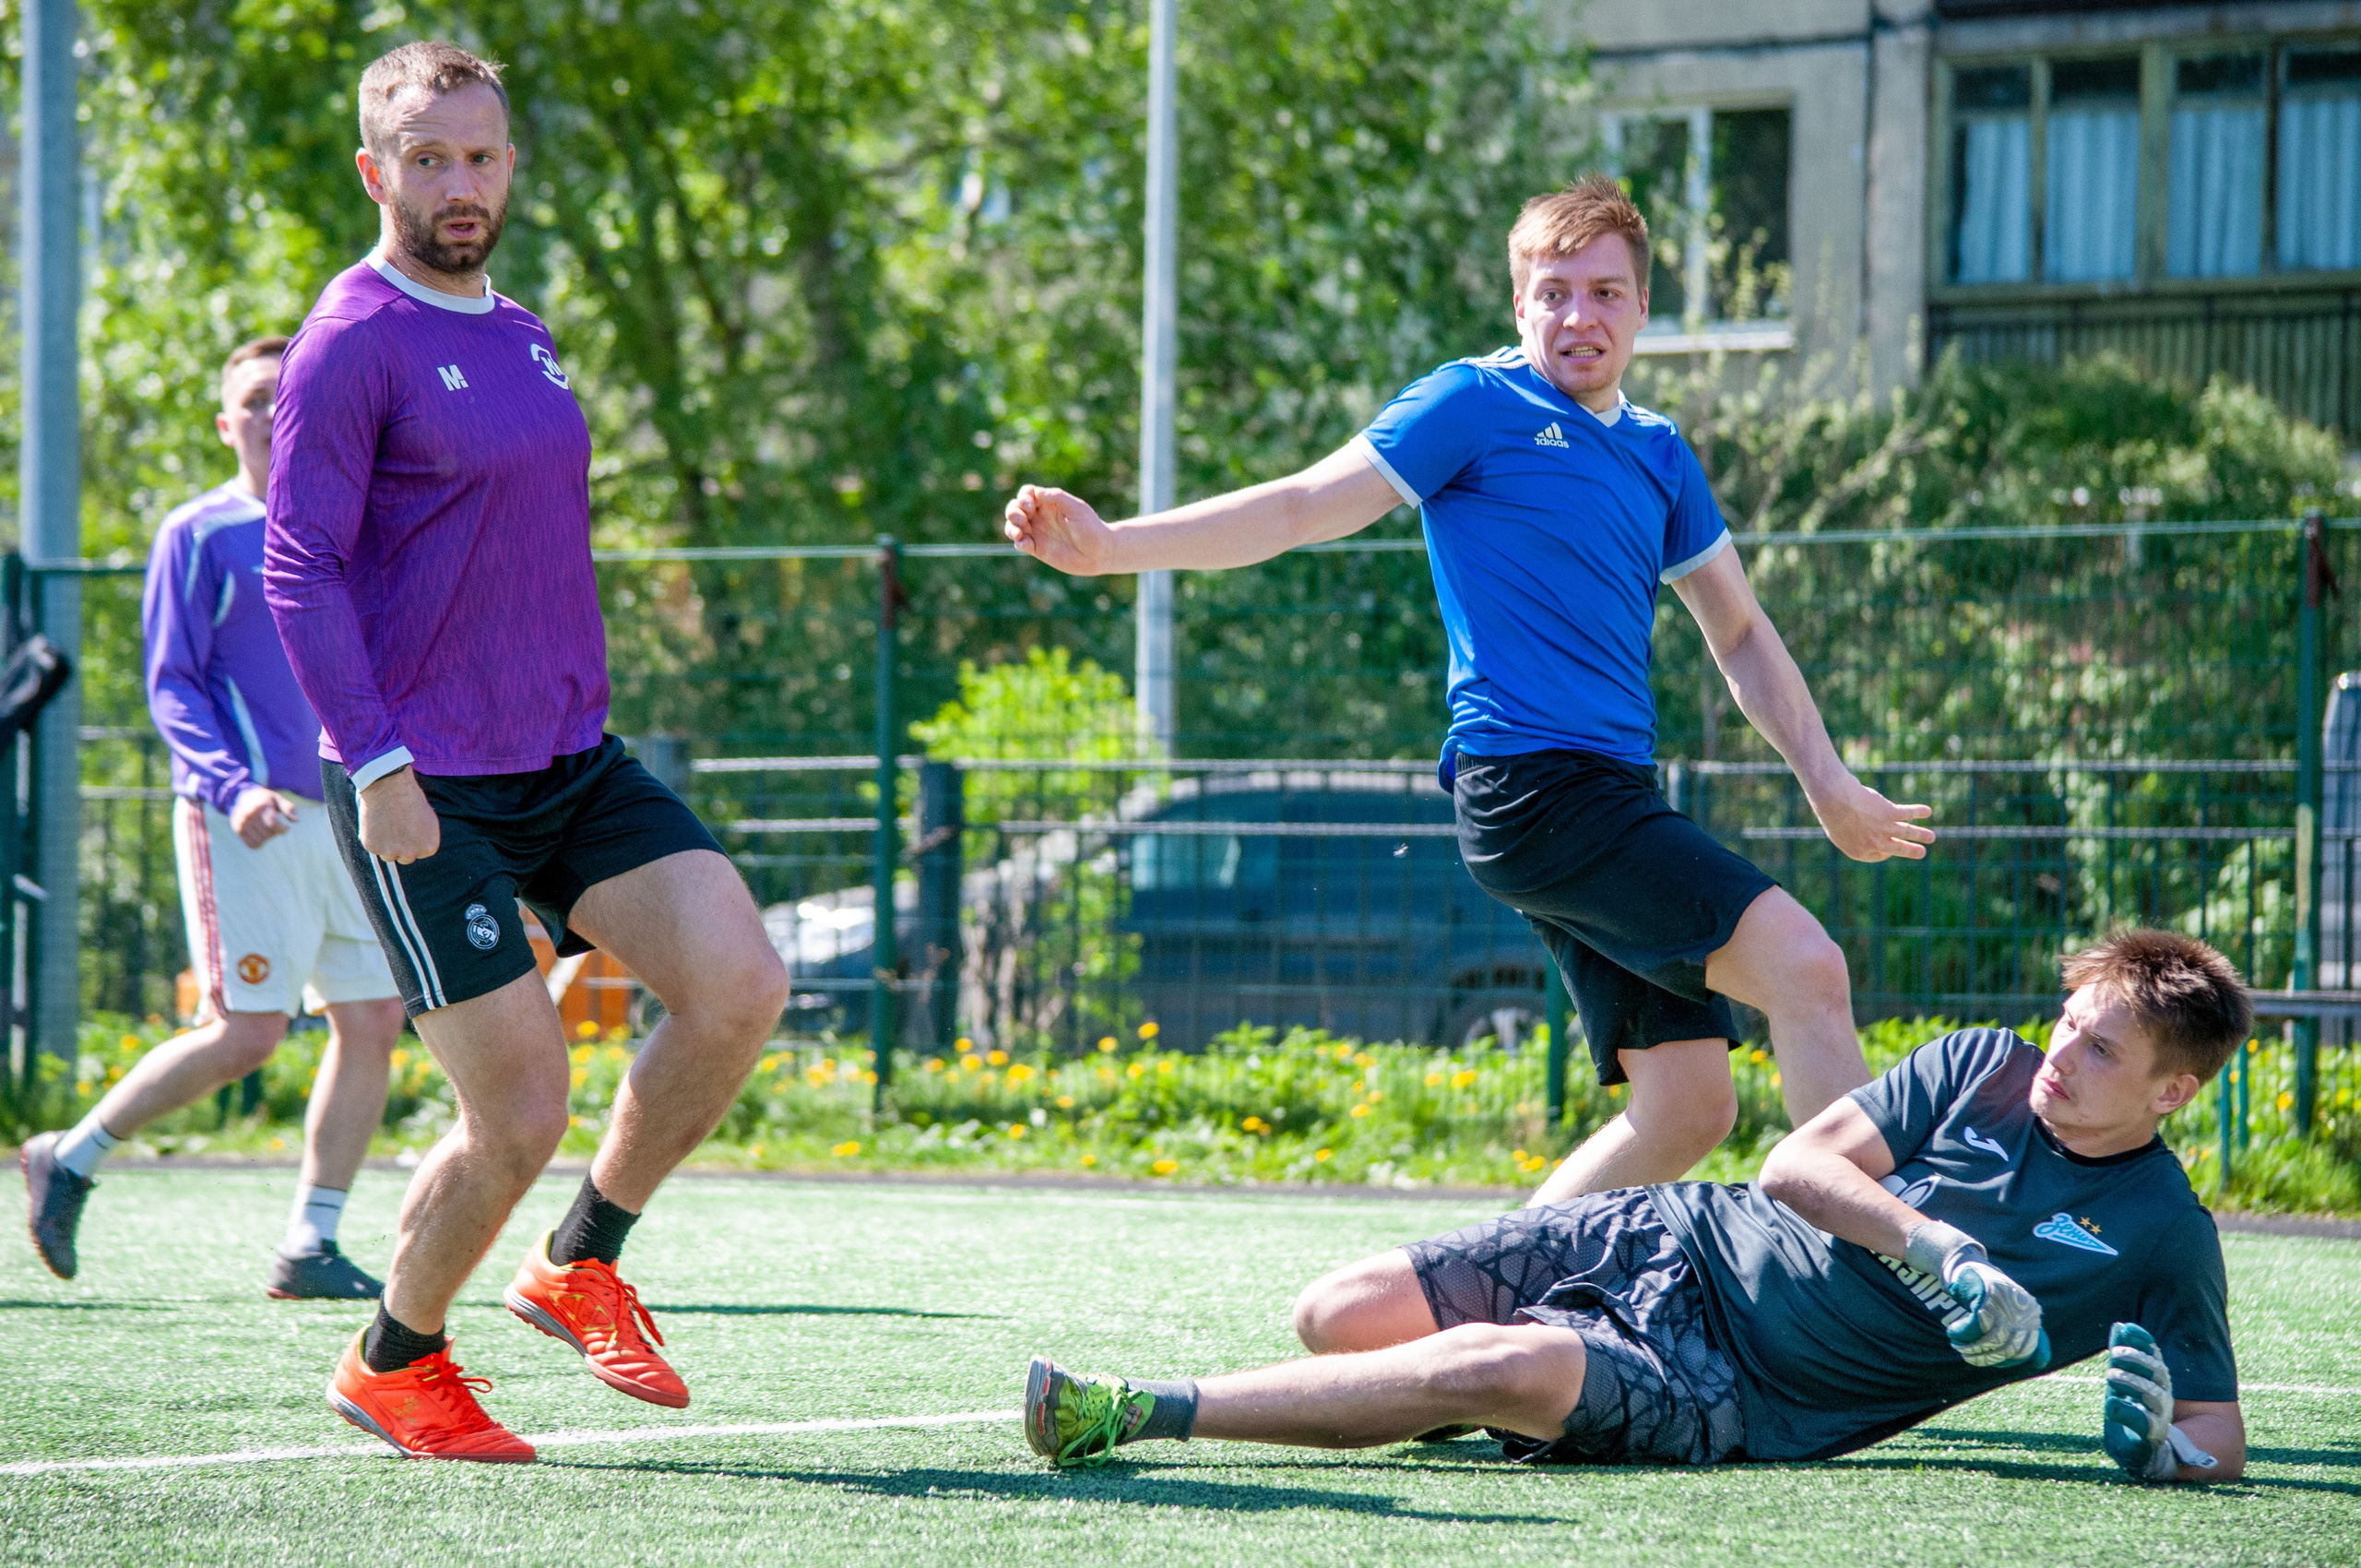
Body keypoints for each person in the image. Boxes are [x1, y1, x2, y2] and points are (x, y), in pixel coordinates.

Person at [1003, 174, 1934, 1203]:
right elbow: (1301, 504)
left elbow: (1742, 631)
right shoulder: (1473, 403)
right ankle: (1891, 1273)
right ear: (1519, 303)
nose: (1579, 314)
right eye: (1554, 291)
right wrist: (1112, 548)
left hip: (1612, 796)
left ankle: (1487, 1296)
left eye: (1605, 292)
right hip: (1532, 790)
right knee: (1807, 969)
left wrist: (1827, 777)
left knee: (1686, 1106)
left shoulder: (1659, 453)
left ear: (1640, 307)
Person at [264, 42, 789, 1463]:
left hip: (571, 760)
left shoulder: (527, 328)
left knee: (739, 984)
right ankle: (393, 1358)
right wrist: (373, 764)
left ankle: (580, 1261)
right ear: (376, 171)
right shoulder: (351, 336)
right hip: (428, 789)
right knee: (522, 1109)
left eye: (481, 156)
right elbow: (299, 564)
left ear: (511, 165)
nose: (459, 184)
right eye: (426, 158)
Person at [1023, 928, 2248, 1486]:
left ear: (2174, 1090)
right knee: (1334, 1315)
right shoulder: (1979, 1060)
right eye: (2069, 1024)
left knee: (1479, 1367)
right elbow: (1796, 1171)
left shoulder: (2165, 1234)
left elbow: (2218, 1436)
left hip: (1744, 1392)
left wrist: (2163, 1455)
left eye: (2099, 1053)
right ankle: (1481, 1386)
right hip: (1679, 1233)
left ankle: (1131, 1413)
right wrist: (1937, 1246)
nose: (2060, 1055)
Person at [19, 338, 406, 1300]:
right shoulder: (197, 533)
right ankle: (68, 1154)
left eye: (292, 396)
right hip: (249, 820)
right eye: (256, 399)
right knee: (249, 1033)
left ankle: (309, 1243)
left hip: (352, 813)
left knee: (371, 1015)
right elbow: (174, 685)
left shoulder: (359, 531)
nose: (276, 413)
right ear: (224, 421)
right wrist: (233, 786)